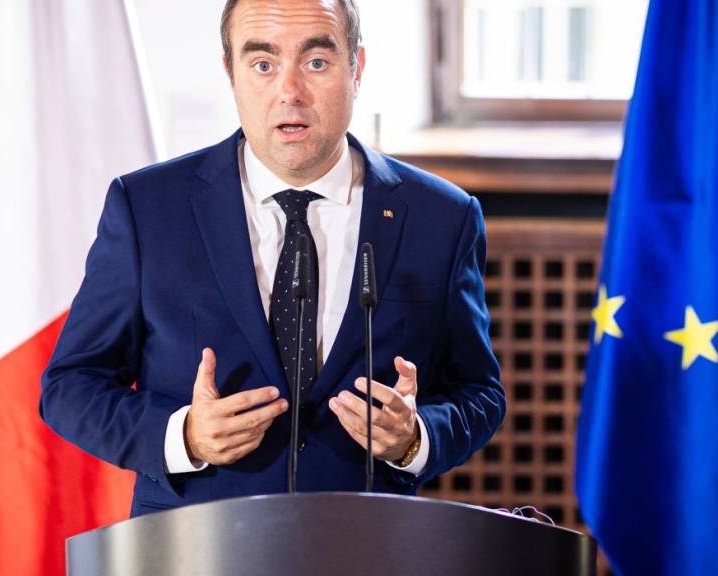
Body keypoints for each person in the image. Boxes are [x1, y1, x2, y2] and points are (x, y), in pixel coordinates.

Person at [40, 0, 505, 518]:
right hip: (193, 542)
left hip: (366, 539)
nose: (290, 92)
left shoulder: (441, 216)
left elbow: (479, 393)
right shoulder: (147, 208)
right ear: (230, 74)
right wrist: (183, 436)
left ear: (356, 68)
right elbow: (70, 387)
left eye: (316, 62)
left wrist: (415, 437)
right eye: (263, 64)